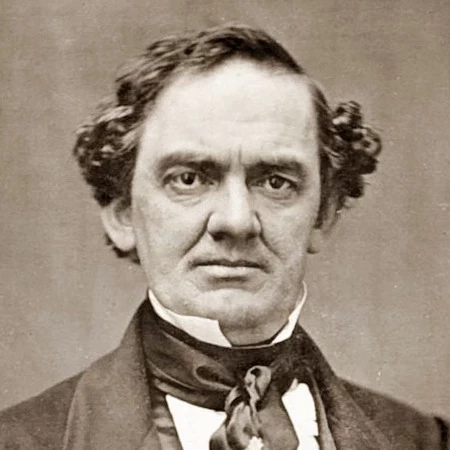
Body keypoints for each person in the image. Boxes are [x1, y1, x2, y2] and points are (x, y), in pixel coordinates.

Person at [0, 24, 447, 450]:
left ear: (324, 214)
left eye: (275, 182)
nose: (236, 221)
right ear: (122, 214)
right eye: (189, 178)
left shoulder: (422, 441)